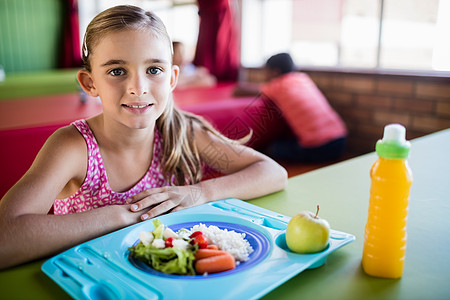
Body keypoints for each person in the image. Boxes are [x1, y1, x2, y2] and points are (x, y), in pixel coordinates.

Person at [0, 5, 287, 269]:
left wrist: (199, 193)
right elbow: (5, 237)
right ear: (90, 83)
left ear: (172, 78)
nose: (138, 87)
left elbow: (273, 172)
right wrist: (122, 216)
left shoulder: (182, 131)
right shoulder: (73, 147)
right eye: (117, 71)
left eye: (153, 70)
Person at [240, 53, 347, 163]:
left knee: (272, 148)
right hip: (340, 139)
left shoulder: (278, 85)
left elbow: (248, 91)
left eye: (266, 71)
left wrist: (237, 89)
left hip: (319, 147)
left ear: (275, 72)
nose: (265, 76)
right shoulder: (303, 79)